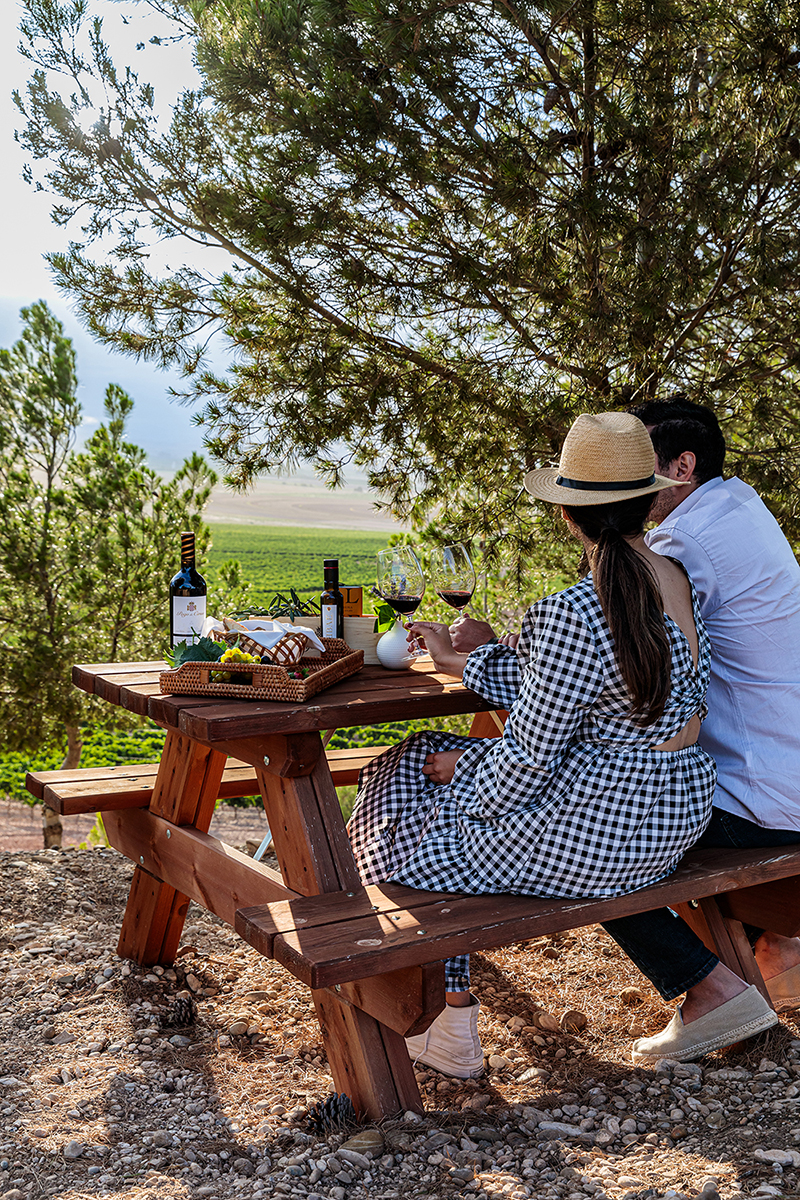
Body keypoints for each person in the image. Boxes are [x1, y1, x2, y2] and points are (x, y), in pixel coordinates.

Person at [348, 412, 776, 1079]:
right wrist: (475, 664)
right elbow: (591, 687)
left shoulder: (571, 609)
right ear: (648, 499)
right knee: (426, 762)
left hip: (606, 827)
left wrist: (468, 777)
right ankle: (447, 1009)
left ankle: (444, 1020)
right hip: (677, 810)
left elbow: (528, 758)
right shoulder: (674, 579)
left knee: (402, 810)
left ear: (567, 514)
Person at [454, 398, 800, 1062]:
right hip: (776, 772)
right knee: (614, 794)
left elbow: (594, 676)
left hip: (756, 799)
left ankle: (710, 988)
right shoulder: (740, 509)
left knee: (594, 823)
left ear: (681, 466)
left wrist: (479, 665)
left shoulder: (675, 547)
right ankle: (774, 949)